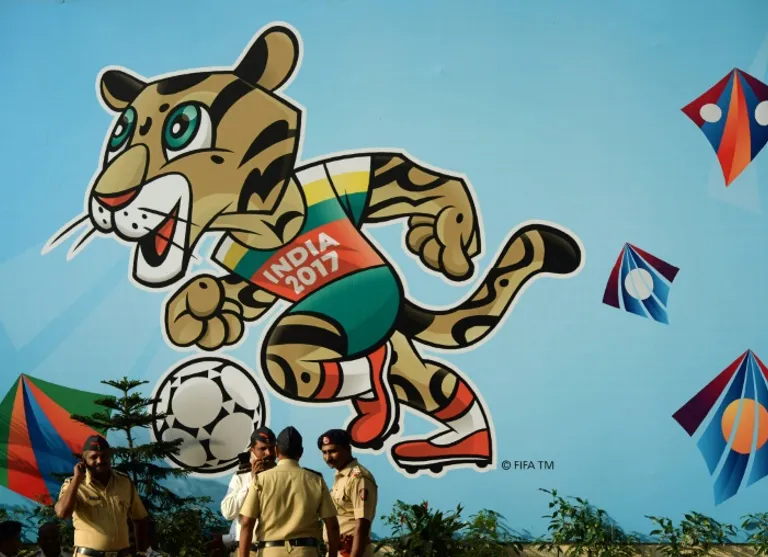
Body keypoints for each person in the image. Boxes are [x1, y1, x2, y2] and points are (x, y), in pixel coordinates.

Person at [238, 426, 340, 557]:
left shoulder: (260, 479)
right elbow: (332, 525)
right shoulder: (316, 480)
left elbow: (247, 524)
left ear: (276, 450)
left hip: (270, 552)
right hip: (305, 552)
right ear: (301, 452)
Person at [54, 435, 150, 556]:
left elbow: (139, 518)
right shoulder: (74, 485)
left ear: (110, 456)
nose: (100, 461)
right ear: (84, 460)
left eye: (104, 456)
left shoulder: (124, 482)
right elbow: (62, 513)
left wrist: (142, 552)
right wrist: (76, 480)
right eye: (93, 457)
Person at [318, 430, 378, 557]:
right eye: (324, 452)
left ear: (348, 449)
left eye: (333, 451)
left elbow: (362, 525)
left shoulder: (358, 477)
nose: (328, 458)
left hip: (352, 552)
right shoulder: (341, 476)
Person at [220, 427, 277, 553]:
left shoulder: (282, 476)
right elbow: (228, 513)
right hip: (246, 550)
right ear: (252, 450)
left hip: (273, 550)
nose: (268, 453)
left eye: (272, 448)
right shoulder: (242, 477)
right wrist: (252, 482)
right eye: (262, 449)